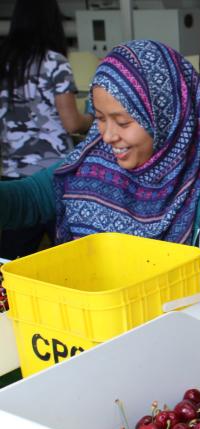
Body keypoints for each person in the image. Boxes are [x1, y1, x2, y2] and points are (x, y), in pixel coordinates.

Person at [0, 40, 200, 308]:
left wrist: (129, 294)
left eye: (123, 122)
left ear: (166, 116)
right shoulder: (93, 159)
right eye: (99, 118)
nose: (108, 136)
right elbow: (29, 197)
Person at [0, 0, 93, 259]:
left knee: (11, 268)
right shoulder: (54, 63)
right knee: (69, 261)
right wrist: (97, 118)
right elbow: (72, 123)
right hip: (55, 176)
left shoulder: (4, 61)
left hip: (12, 174)